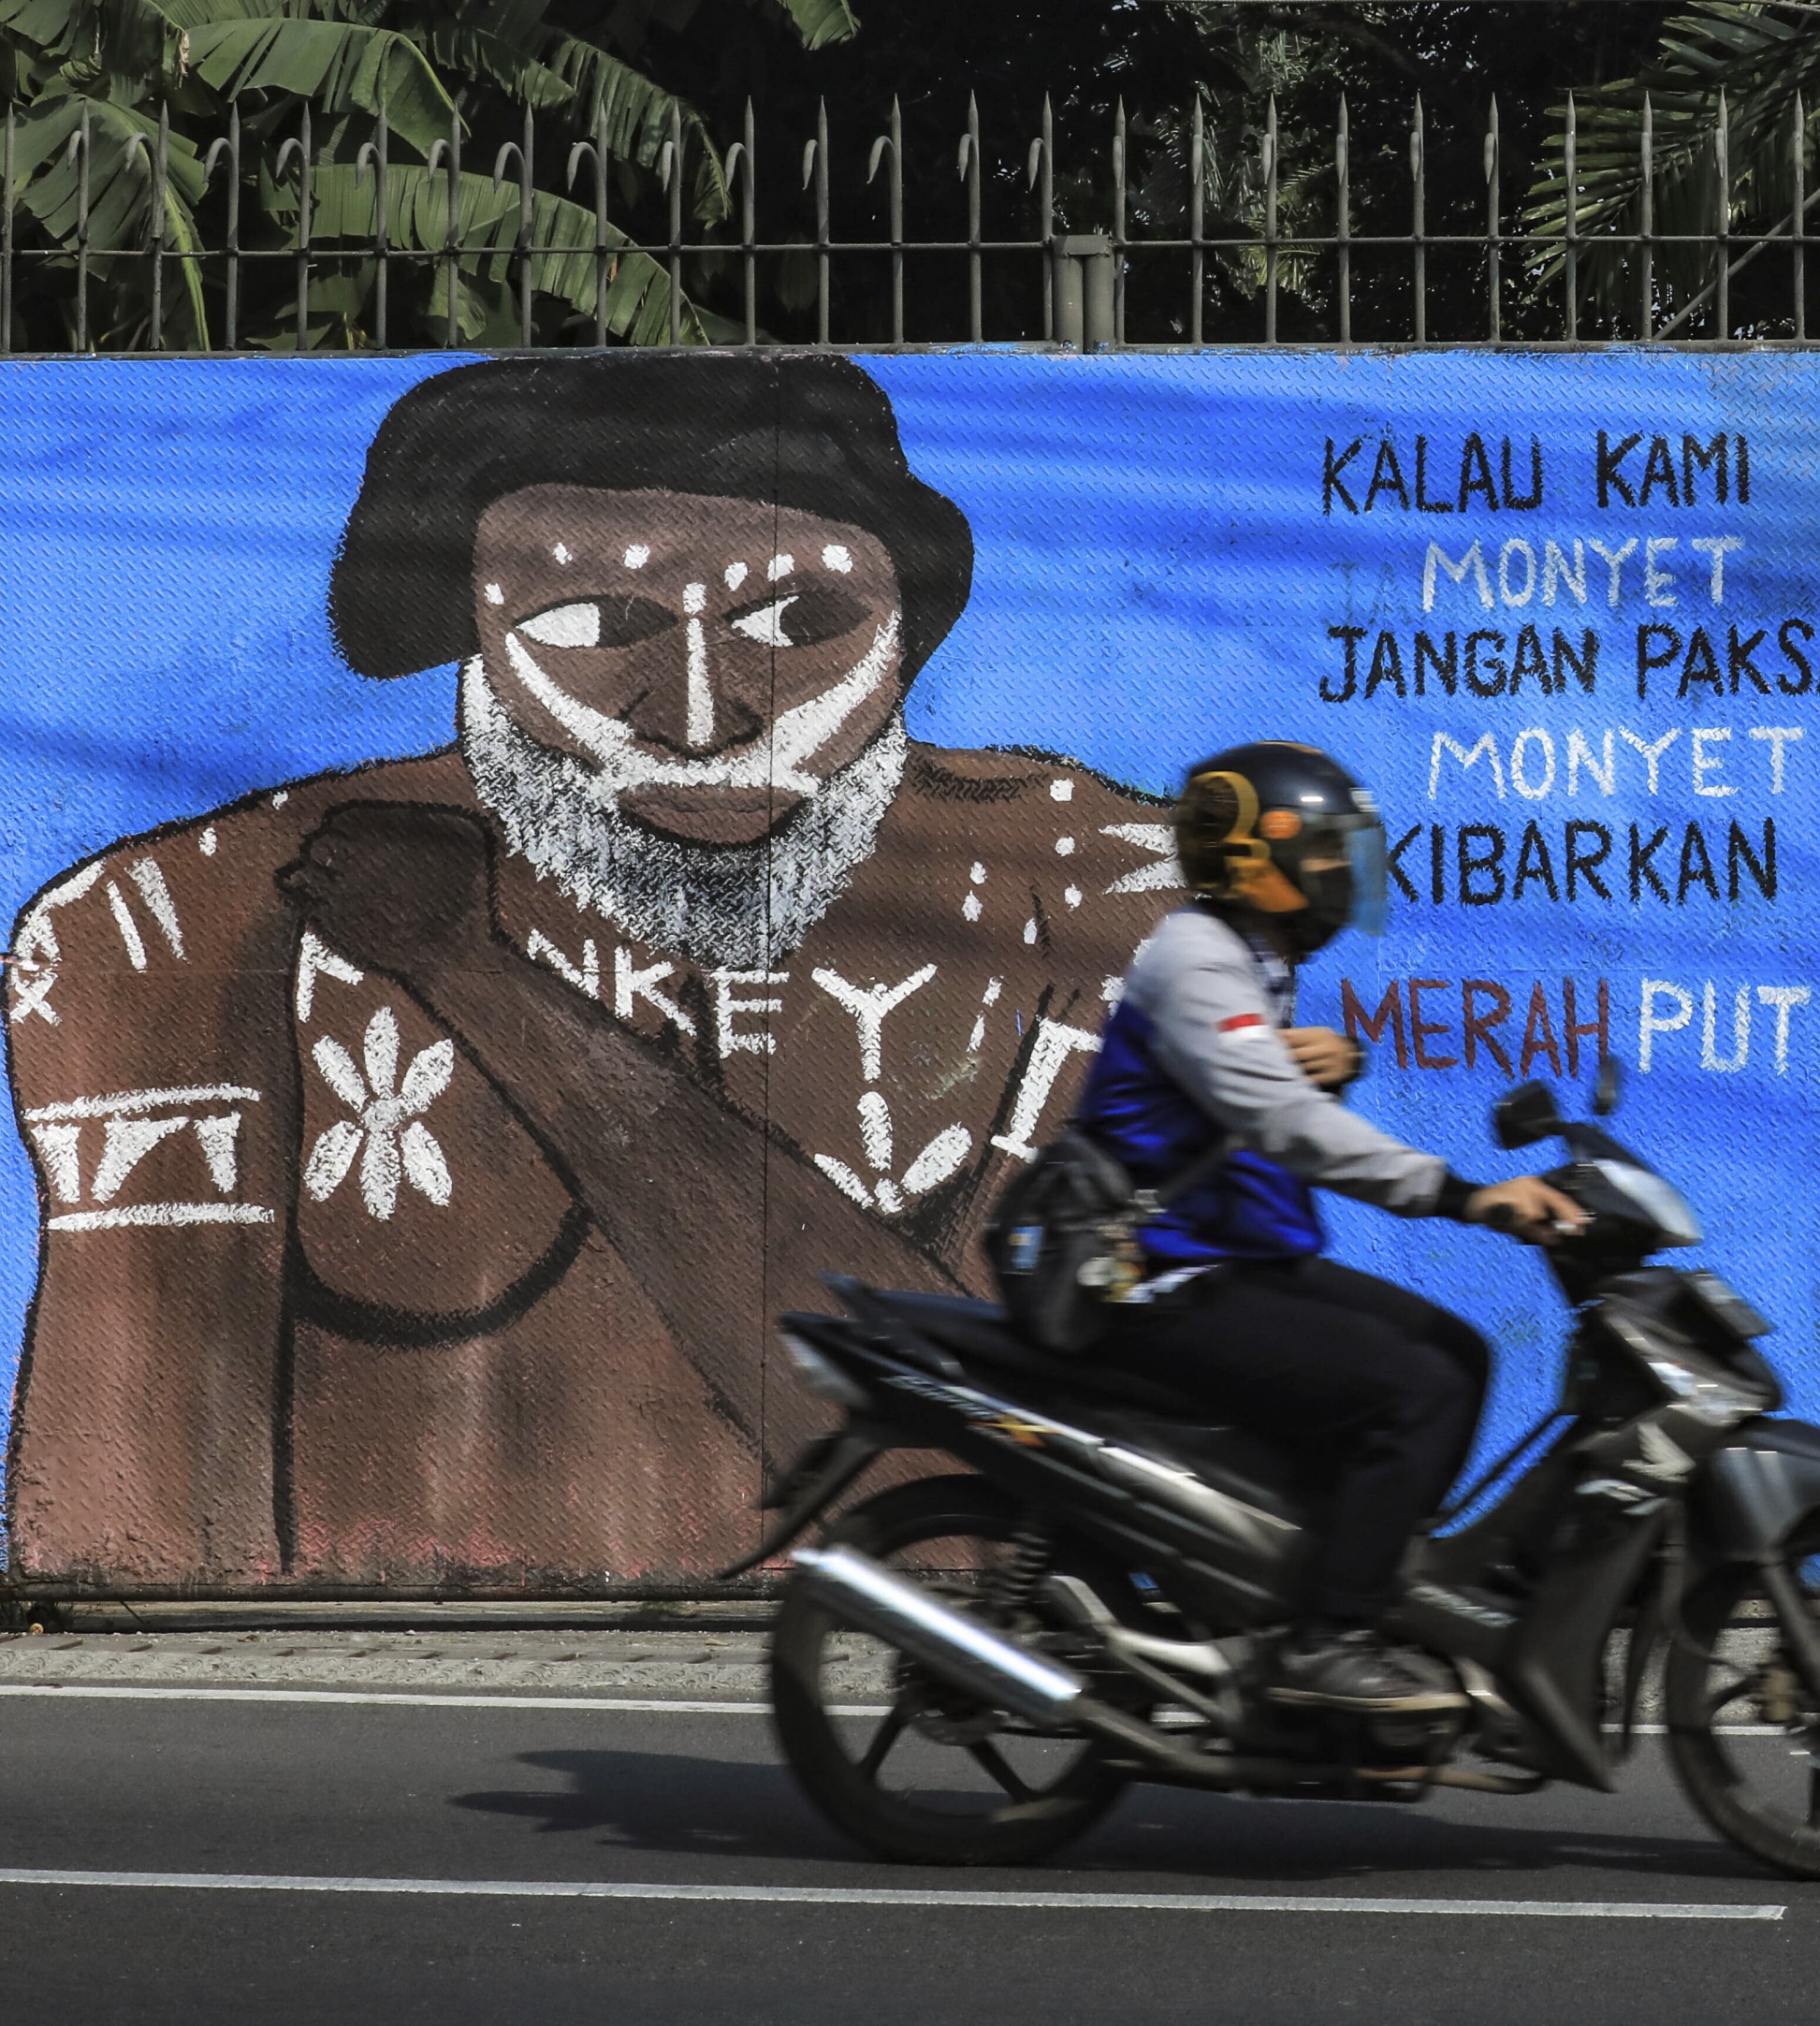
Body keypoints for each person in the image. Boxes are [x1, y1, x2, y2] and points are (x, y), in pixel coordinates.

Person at [6, 354, 1172, 1589]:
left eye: (796, 624)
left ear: (905, 620)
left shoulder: (1090, 897)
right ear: (474, 633)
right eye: (597, 624)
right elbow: (127, 1537)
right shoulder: (174, 924)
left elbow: (971, 1487)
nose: (704, 714)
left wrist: (476, 977)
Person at [1073, 739, 1585, 1711]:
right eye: (1321, 855)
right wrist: (1464, 1194)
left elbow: (1243, 1092)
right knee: (1417, 1390)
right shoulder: (1196, 959)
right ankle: (1326, 1639)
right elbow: (1285, 1124)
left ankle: (1359, 1579)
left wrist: (1312, 1061)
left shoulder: (1248, 961)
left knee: (1458, 1353)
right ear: (1251, 862)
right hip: (1162, 1278)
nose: (1341, 876)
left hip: (1238, 1263)